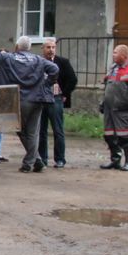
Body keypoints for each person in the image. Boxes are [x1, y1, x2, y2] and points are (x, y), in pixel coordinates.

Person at [0, 36, 58, 173]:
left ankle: (29, 163)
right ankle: (36, 161)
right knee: (33, 132)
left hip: (17, 99)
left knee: (21, 131)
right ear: (29, 48)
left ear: (17, 47)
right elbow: (54, 69)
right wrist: (46, 84)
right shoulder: (38, 60)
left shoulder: (7, 58)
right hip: (36, 100)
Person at [100, 43, 128, 171]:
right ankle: (115, 160)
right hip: (109, 108)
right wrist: (103, 102)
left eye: (115, 52)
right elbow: (108, 85)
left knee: (125, 136)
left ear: (123, 55)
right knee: (109, 135)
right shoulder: (113, 67)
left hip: (123, 108)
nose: (113, 55)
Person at [37, 38, 78, 168]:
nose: (51, 50)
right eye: (48, 47)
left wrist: (64, 93)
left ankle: (60, 159)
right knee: (41, 130)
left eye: (53, 47)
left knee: (58, 130)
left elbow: (73, 79)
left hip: (56, 99)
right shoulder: (38, 62)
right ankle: (42, 159)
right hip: (40, 99)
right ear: (43, 49)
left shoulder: (62, 62)